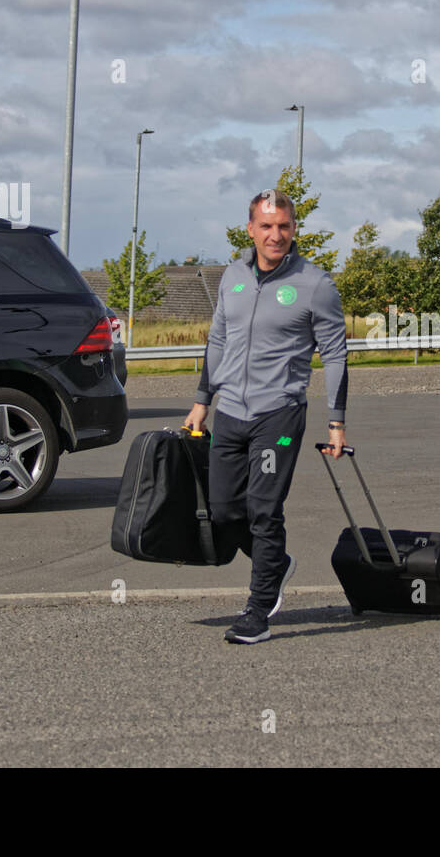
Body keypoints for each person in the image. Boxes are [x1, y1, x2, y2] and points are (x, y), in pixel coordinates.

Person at [184, 189, 348, 643]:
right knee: (222, 511)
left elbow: (334, 354)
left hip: (279, 413)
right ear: (251, 229)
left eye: (284, 226)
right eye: (266, 226)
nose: (275, 235)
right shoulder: (232, 276)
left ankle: (257, 611)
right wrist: (203, 400)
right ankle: (273, 561)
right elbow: (217, 340)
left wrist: (336, 420)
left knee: (263, 509)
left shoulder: (316, 284)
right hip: (231, 412)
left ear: (294, 229)